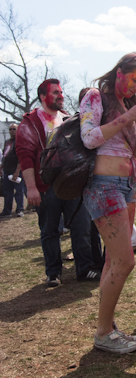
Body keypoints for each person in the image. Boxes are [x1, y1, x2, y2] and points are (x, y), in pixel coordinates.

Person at [80, 53, 136, 354]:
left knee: (113, 261)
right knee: (125, 261)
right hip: (104, 185)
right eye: (134, 80)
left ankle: (108, 326)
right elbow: (89, 138)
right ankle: (102, 333)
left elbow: (135, 152)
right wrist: (129, 117)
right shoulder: (94, 96)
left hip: (126, 186)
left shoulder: (128, 106)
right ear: (119, 73)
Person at [16, 79, 98, 288]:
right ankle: (53, 272)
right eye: (55, 93)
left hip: (72, 185)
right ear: (43, 97)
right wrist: (32, 188)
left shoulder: (68, 119)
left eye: (61, 92)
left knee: (82, 227)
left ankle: (85, 268)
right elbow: (25, 157)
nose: (60, 96)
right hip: (46, 188)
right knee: (50, 231)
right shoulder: (31, 123)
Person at [0, 123, 24, 218]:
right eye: (10, 129)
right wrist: (1, 168)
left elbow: (20, 158)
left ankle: (19, 209)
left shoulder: (20, 142)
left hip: (16, 170)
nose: (12, 131)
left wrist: (17, 171)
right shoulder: (7, 142)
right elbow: (4, 156)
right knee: (7, 191)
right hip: (7, 170)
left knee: (18, 191)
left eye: (14, 129)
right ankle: (7, 210)